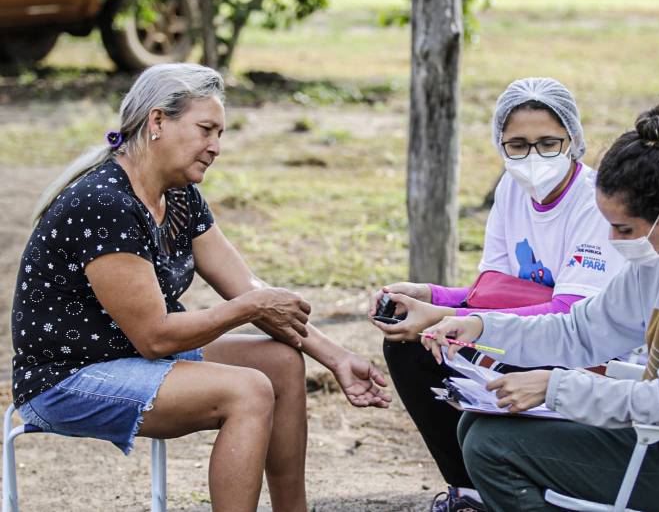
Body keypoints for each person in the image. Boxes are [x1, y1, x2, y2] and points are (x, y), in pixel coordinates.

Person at [10, 63, 390, 512]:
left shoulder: (180, 195)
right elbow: (156, 337)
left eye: (220, 134)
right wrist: (249, 307)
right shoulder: (104, 203)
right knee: (247, 391)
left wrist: (337, 358)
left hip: (130, 357)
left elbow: (245, 285)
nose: (215, 148)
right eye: (205, 129)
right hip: (67, 380)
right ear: (157, 122)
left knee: (281, 364)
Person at [422, 104, 659, 512]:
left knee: (493, 448)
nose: (612, 239)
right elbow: (580, 330)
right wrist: (481, 326)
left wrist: (554, 387)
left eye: (623, 228)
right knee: (479, 424)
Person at [371, 77, 625, 511]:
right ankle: (469, 491)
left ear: (574, 140)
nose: (533, 157)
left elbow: (569, 314)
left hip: (583, 349)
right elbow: (493, 290)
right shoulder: (512, 190)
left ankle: (508, 475)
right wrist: (428, 294)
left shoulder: (593, 202)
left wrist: (439, 315)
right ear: (500, 144)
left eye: (548, 143)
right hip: (527, 333)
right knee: (408, 346)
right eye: (518, 145)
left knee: (430, 336)